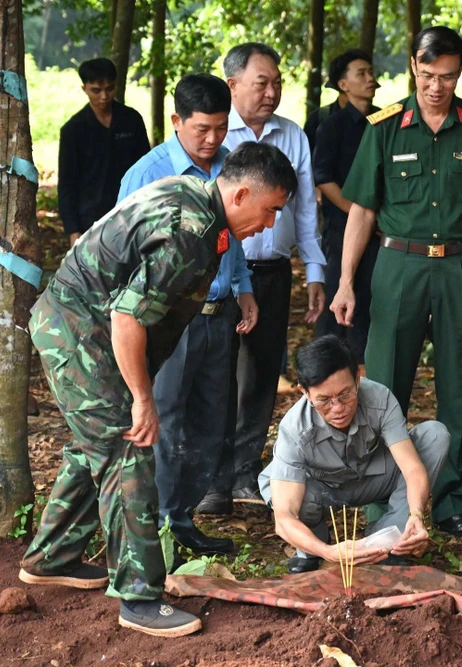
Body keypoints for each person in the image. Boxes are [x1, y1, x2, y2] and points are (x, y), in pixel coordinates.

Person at [18, 143, 297, 637]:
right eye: (271, 209)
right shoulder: (190, 231)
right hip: (80, 329)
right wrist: (143, 400)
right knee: (129, 449)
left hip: (88, 325)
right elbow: (127, 317)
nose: (271, 224)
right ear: (241, 194)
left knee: (95, 447)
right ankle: (140, 599)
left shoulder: (198, 199)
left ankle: (52, 556)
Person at [332, 26, 462, 537]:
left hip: (461, 266)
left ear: (459, 73)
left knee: (456, 383)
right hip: (400, 265)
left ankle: (451, 499)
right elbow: (362, 211)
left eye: (449, 77)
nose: (438, 87)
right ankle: (381, 502)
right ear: (414, 66)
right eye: (429, 75)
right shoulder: (385, 127)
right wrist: (345, 281)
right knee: (385, 385)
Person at [116, 73, 259, 556]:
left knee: (209, 419)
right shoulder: (147, 174)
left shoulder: (229, 167)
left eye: (221, 128)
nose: (212, 139)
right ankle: (154, 527)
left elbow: (233, 237)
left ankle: (182, 517)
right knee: (166, 420)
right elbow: (126, 254)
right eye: (202, 129)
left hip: (219, 313)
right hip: (169, 319)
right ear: (177, 120)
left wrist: (243, 287)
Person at [203, 42, 327, 510]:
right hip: (221, 271)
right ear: (233, 84)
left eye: (277, 83)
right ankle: (212, 480)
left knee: (260, 375)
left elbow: (306, 210)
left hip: (273, 272)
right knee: (218, 374)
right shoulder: (217, 135)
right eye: (262, 83)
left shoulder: (293, 135)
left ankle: (244, 473)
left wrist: (314, 270)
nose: (271, 92)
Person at [260, 336, 450, 573]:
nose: (338, 408)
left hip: (372, 477)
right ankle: (311, 550)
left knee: (435, 435)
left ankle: (389, 542)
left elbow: (411, 469)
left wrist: (417, 514)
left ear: (357, 379)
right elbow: (284, 517)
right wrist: (328, 552)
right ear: (305, 392)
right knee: (289, 494)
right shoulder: (294, 427)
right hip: (323, 490)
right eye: (324, 400)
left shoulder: (379, 398)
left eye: (345, 394)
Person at [313, 49, 381, 366]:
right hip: (341, 230)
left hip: (381, 232)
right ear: (343, 85)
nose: (370, 79)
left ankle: (366, 372)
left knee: (370, 302)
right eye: (361, 73)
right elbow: (323, 178)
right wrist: (358, 215)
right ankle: (327, 372)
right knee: (338, 302)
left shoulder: (384, 121)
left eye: (371, 72)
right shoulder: (331, 126)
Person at [58, 57, 150, 244]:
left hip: (131, 213)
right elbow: (67, 183)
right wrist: (73, 229)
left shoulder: (132, 120)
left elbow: (146, 168)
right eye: (96, 90)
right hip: (90, 219)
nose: (104, 96)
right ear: (84, 89)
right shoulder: (73, 129)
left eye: (109, 89)